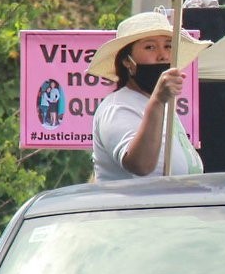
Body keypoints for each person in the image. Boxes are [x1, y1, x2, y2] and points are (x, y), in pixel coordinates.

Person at [87, 11, 205, 181]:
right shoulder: (117, 107)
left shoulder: (165, 107)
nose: (163, 55)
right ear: (127, 61)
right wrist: (157, 101)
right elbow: (140, 165)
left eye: (168, 46)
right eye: (150, 47)